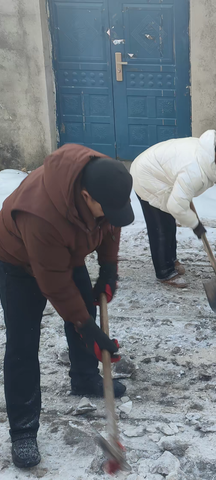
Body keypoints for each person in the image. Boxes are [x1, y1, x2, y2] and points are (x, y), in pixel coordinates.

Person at [0, 144, 134, 468]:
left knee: (84, 311)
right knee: (23, 341)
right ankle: (23, 430)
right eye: (107, 207)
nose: (111, 213)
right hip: (19, 260)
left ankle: (85, 378)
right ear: (86, 197)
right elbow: (55, 284)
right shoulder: (41, 215)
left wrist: (108, 269)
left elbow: (109, 225)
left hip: (65, 250)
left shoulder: (103, 179)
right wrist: (89, 328)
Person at [130, 128, 216, 288]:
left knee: (169, 222)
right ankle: (164, 272)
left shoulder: (206, 157)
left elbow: (183, 191)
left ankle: (170, 259)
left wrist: (186, 203)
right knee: (161, 226)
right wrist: (195, 224)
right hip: (147, 177)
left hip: (162, 173)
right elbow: (176, 205)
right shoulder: (195, 171)